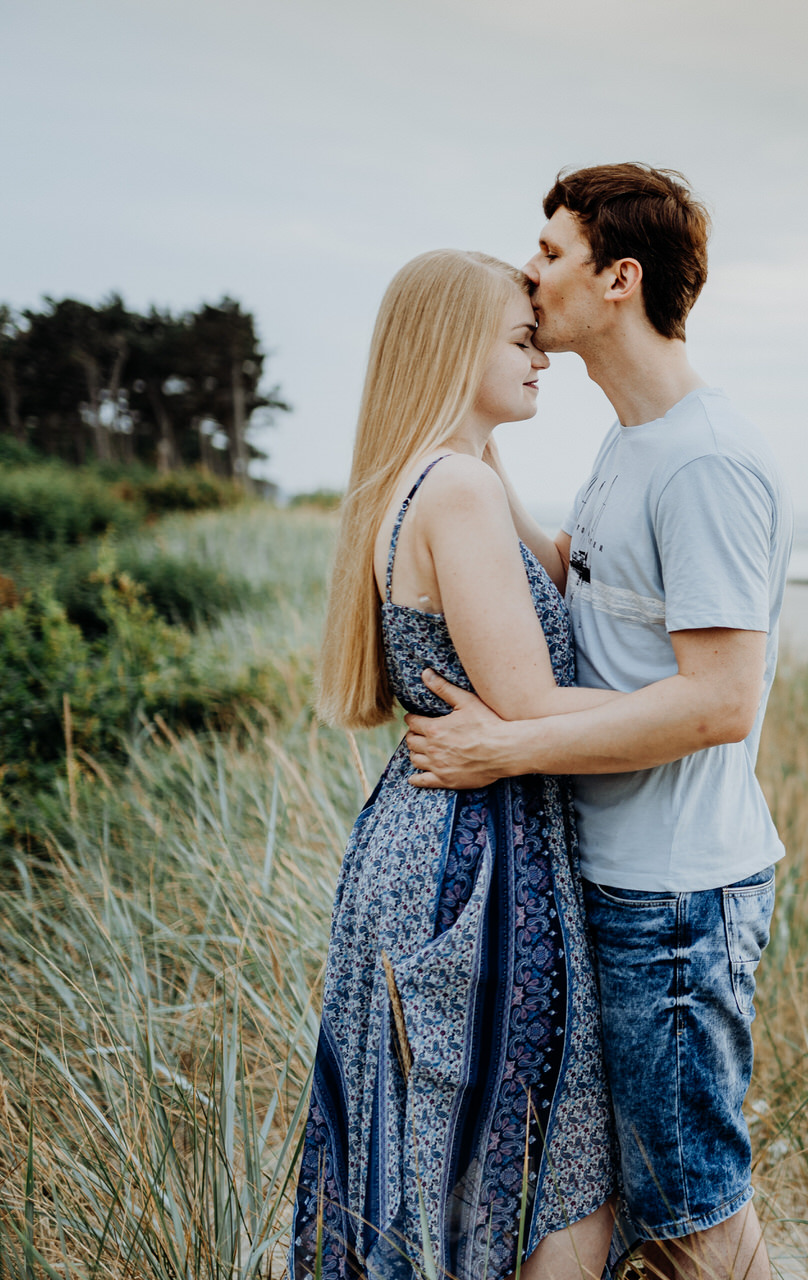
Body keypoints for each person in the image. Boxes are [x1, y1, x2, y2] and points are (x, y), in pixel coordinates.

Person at [403, 164, 791, 1280]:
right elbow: (586, 578)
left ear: (620, 279)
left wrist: (505, 744)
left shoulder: (707, 460)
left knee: (693, 1220)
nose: (532, 271)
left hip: (675, 896)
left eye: (554, 253)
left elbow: (722, 701)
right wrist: (465, 437)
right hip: (620, 878)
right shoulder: (635, 443)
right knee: (647, 1210)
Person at [294, 249, 629, 1280]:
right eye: (523, 340)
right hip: (474, 861)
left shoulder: (456, 474)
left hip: (438, 841)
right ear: (453, 346)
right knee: (535, 1172)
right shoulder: (454, 490)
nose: (545, 360)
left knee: (433, 1174)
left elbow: (566, 560)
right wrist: (695, 710)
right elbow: (527, 703)